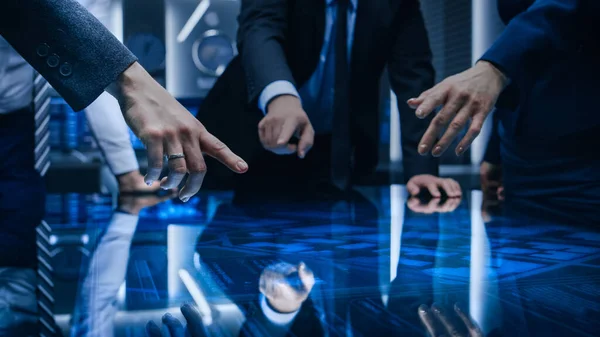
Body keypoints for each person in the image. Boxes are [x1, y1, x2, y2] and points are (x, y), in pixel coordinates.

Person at [197, 0, 461, 203]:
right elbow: (259, 30)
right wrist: (280, 98)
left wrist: (421, 169)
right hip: (247, 141)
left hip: (335, 154)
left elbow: (413, 76)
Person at [0, 0, 248, 203]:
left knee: (20, 214)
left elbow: (97, 70)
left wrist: (126, 171)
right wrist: (134, 83)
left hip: (13, 123)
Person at [407, 0, 600, 209]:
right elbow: (527, 63)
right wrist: (494, 150)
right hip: (520, 159)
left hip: (585, 153)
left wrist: (494, 67)